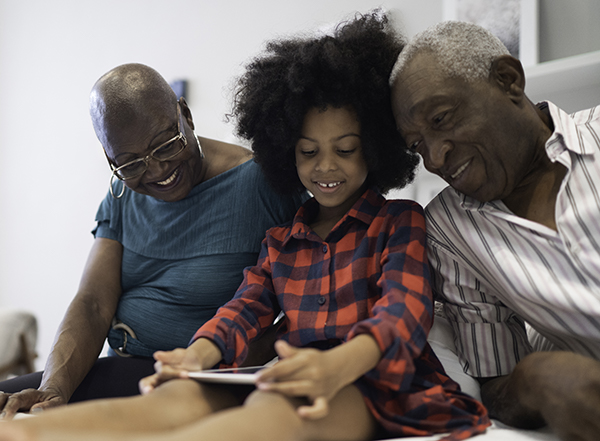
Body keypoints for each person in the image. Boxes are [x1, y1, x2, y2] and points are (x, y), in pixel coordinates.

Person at [0, 12, 489, 441]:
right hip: (284, 372)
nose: (326, 167)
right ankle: (29, 433)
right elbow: (243, 309)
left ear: (376, 147)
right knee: (178, 400)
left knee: (276, 409)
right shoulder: (282, 243)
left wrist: (335, 364)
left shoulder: (399, 222)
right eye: (307, 152)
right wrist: (196, 356)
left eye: (345, 149)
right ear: (285, 152)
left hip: (375, 378)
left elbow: (403, 313)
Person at [0, 63, 305, 419]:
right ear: (109, 157)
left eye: (165, 145)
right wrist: (53, 390)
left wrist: (221, 370)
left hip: (201, 381)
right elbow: (93, 303)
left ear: (186, 116)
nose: (157, 171)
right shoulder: (121, 192)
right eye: (129, 163)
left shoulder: (262, 184)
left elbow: (299, 308)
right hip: (120, 372)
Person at [390, 20, 600, 441]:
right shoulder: (450, 230)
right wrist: (535, 379)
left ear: (508, 80)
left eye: (442, 118)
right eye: (417, 145)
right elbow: (495, 378)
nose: (434, 157)